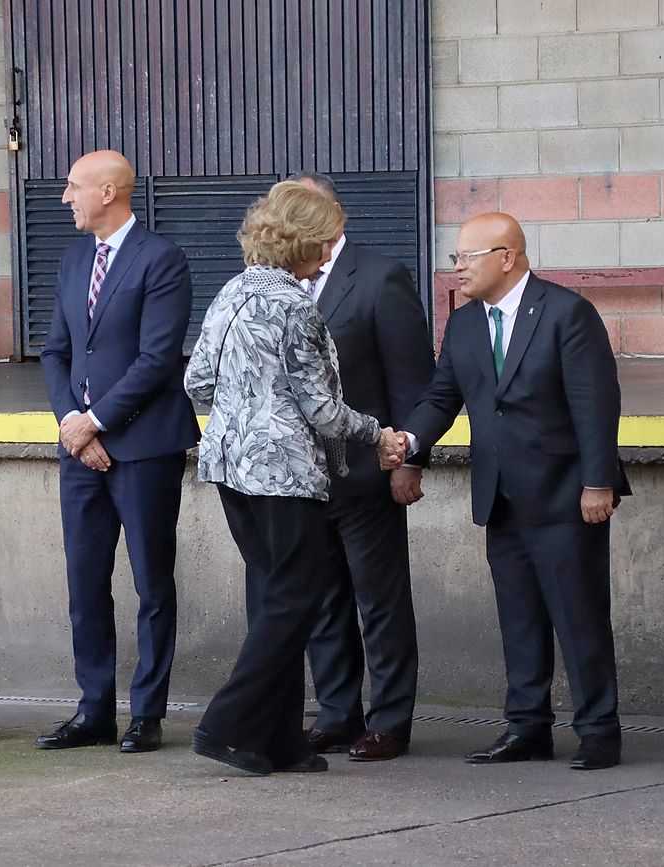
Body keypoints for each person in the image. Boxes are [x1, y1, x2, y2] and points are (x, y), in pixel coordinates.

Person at [185, 180, 405, 777]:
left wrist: (247, 403)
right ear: (302, 244)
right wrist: (379, 434)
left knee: (279, 599)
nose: (330, 254)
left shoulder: (231, 292)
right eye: (324, 244)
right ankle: (227, 723)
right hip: (283, 473)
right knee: (296, 599)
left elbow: (197, 383)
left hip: (230, 468)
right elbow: (322, 410)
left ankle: (274, 740)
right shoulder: (295, 306)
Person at [398, 212, 629, 771]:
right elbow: (442, 397)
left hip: (565, 494)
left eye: (466, 258)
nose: (457, 270)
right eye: (455, 259)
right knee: (519, 618)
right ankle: (526, 727)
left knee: (578, 616)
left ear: (507, 256)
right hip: (500, 496)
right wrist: (408, 440)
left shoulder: (566, 312)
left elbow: (595, 404)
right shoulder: (465, 324)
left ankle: (598, 730)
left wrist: (598, 481)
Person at [38, 150, 199, 754]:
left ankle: (147, 713)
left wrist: (98, 422)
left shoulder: (161, 258)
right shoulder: (74, 257)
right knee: (85, 582)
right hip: (79, 449)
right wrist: (70, 425)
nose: (64, 198)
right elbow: (55, 351)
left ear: (109, 192)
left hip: (144, 446)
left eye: (74, 187)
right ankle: (94, 710)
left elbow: (158, 360)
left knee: (152, 580)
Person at [289, 171, 435, 763]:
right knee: (323, 600)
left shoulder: (380, 275)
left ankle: (392, 718)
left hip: (368, 468)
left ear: (333, 217)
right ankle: (337, 712)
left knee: (380, 600)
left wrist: (408, 463)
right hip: (302, 475)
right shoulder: (281, 280)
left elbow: (410, 379)